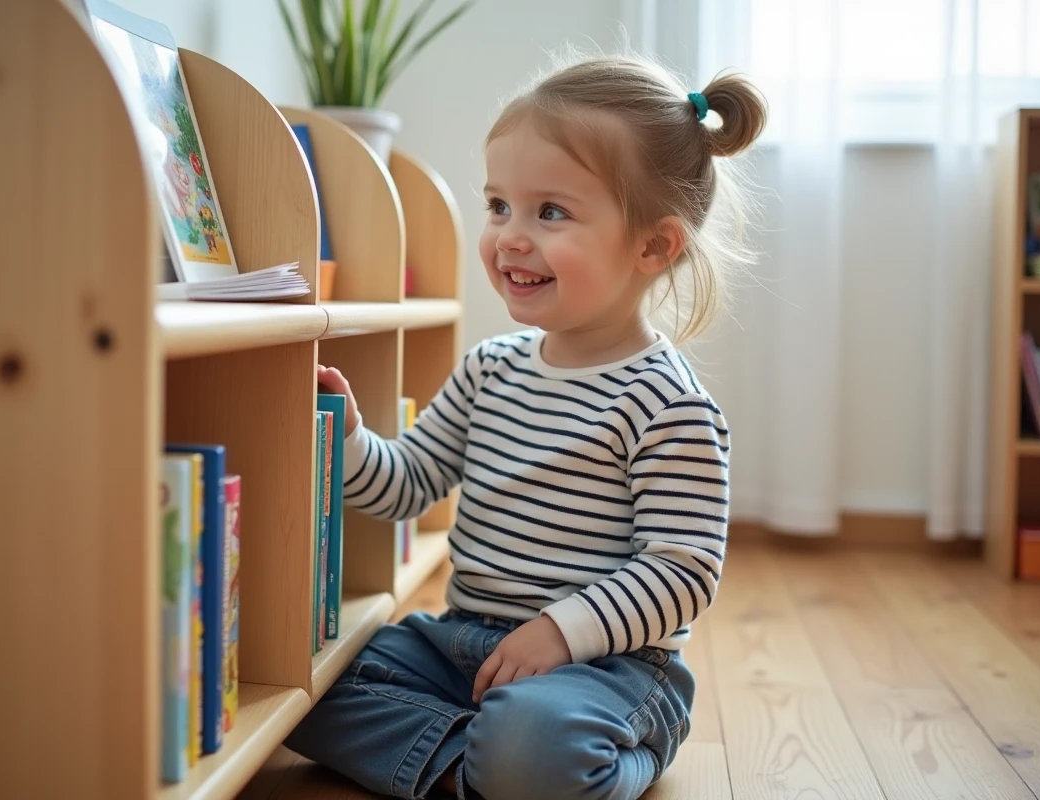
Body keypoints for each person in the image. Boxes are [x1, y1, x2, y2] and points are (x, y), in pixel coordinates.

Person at [285, 51, 767, 800]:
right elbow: (406, 484)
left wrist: (560, 633)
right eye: (499, 206)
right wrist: (346, 437)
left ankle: (568, 757)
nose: (509, 235)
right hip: (460, 642)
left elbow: (682, 571)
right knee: (301, 686)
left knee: (537, 738)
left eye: (550, 212)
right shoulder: (491, 369)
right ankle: (489, 764)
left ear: (653, 246)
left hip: (608, 667)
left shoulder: (667, 405)